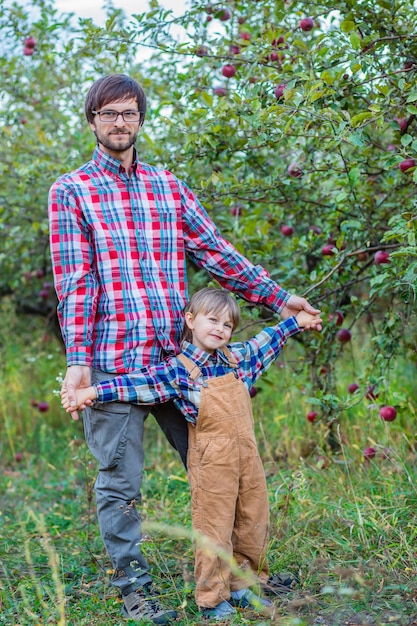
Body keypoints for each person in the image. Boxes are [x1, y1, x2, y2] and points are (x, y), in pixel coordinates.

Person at [48, 73, 321, 624]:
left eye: (128, 112)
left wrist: (280, 299)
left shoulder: (168, 187)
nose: (119, 122)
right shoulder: (71, 191)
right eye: (108, 114)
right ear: (92, 121)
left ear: (141, 119)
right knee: (120, 484)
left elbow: (217, 253)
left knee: (222, 472)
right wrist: (79, 362)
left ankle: (237, 574)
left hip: (181, 364)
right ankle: (134, 587)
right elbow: (75, 282)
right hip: (113, 362)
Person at [62, 287, 322, 621]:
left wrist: (295, 322)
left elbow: (267, 341)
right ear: (190, 321)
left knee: (251, 519)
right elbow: (138, 383)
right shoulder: (179, 371)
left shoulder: (237, 358)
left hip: (247, 458)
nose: (220, 330)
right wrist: (93, 391)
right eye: (212, 320)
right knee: (214, 527)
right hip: (212, 463)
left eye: (227, 325)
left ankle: (243, 584)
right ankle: (212, 599)